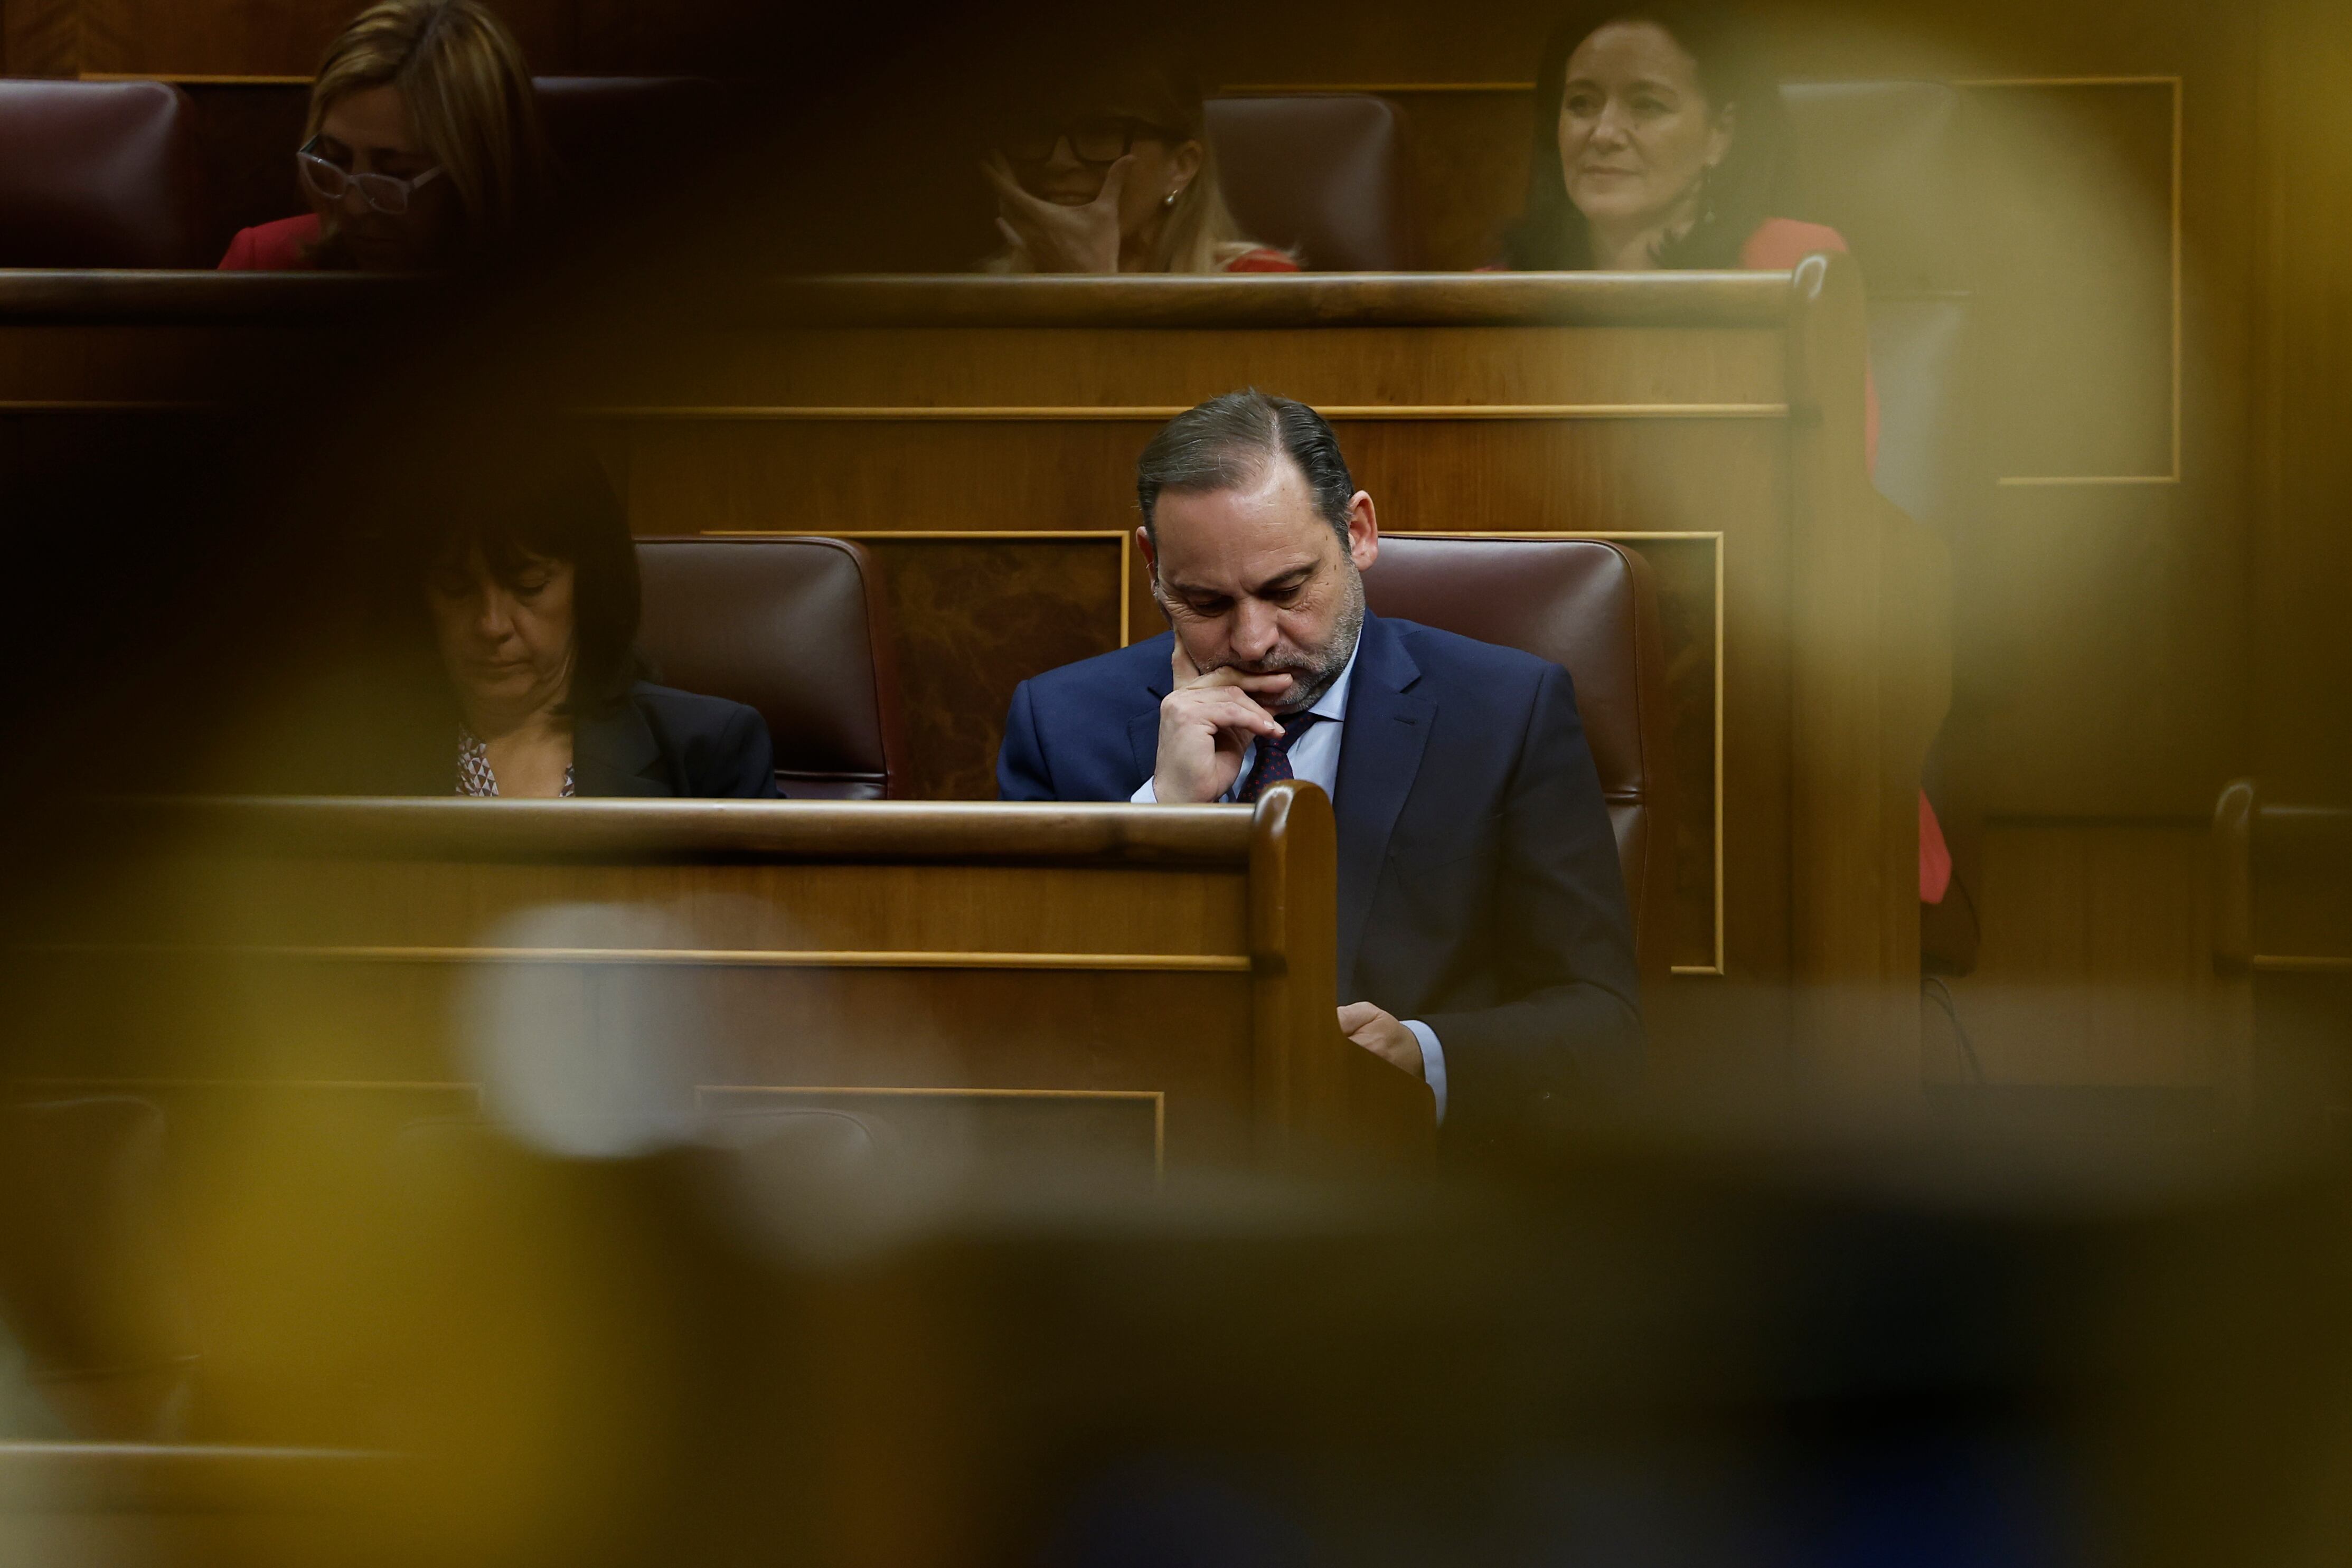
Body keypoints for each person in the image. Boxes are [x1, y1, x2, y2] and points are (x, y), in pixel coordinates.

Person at [998, 391, 1641, 1139]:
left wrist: (1426, 1054)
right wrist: (1165, 817)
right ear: (1152, 562)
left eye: (1285, 589)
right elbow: (1026, 1025)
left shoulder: (1505, 711)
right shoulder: (1060, 723)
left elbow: (1601, 1022)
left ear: (1358, 532)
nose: (1251, 639)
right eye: (1203, 601)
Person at [1500, 1, 1877, 460]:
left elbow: (1837, 472)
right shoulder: (1491, 296)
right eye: (1582, 103)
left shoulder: (1794, 268)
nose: (1604, 133)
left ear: (1720, 133)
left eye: (1648, 105)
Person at [391, 450, 779, 799]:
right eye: (456, 589)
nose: (491, 625)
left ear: (589, 586)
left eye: (529, 587)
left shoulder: (709, 753)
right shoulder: (356, 748)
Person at [217, 0, 549, 272]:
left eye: (395, 173)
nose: (354, 206)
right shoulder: (266, 264)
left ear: (483, 169)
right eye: (337, 159)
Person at [980, 61, 1296, 275]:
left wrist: (1095, 291)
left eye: (1101, 134)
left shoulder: (1256, 283)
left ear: (1180, 166)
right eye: (1038, 133)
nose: (1058, 161)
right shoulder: (978, 297)